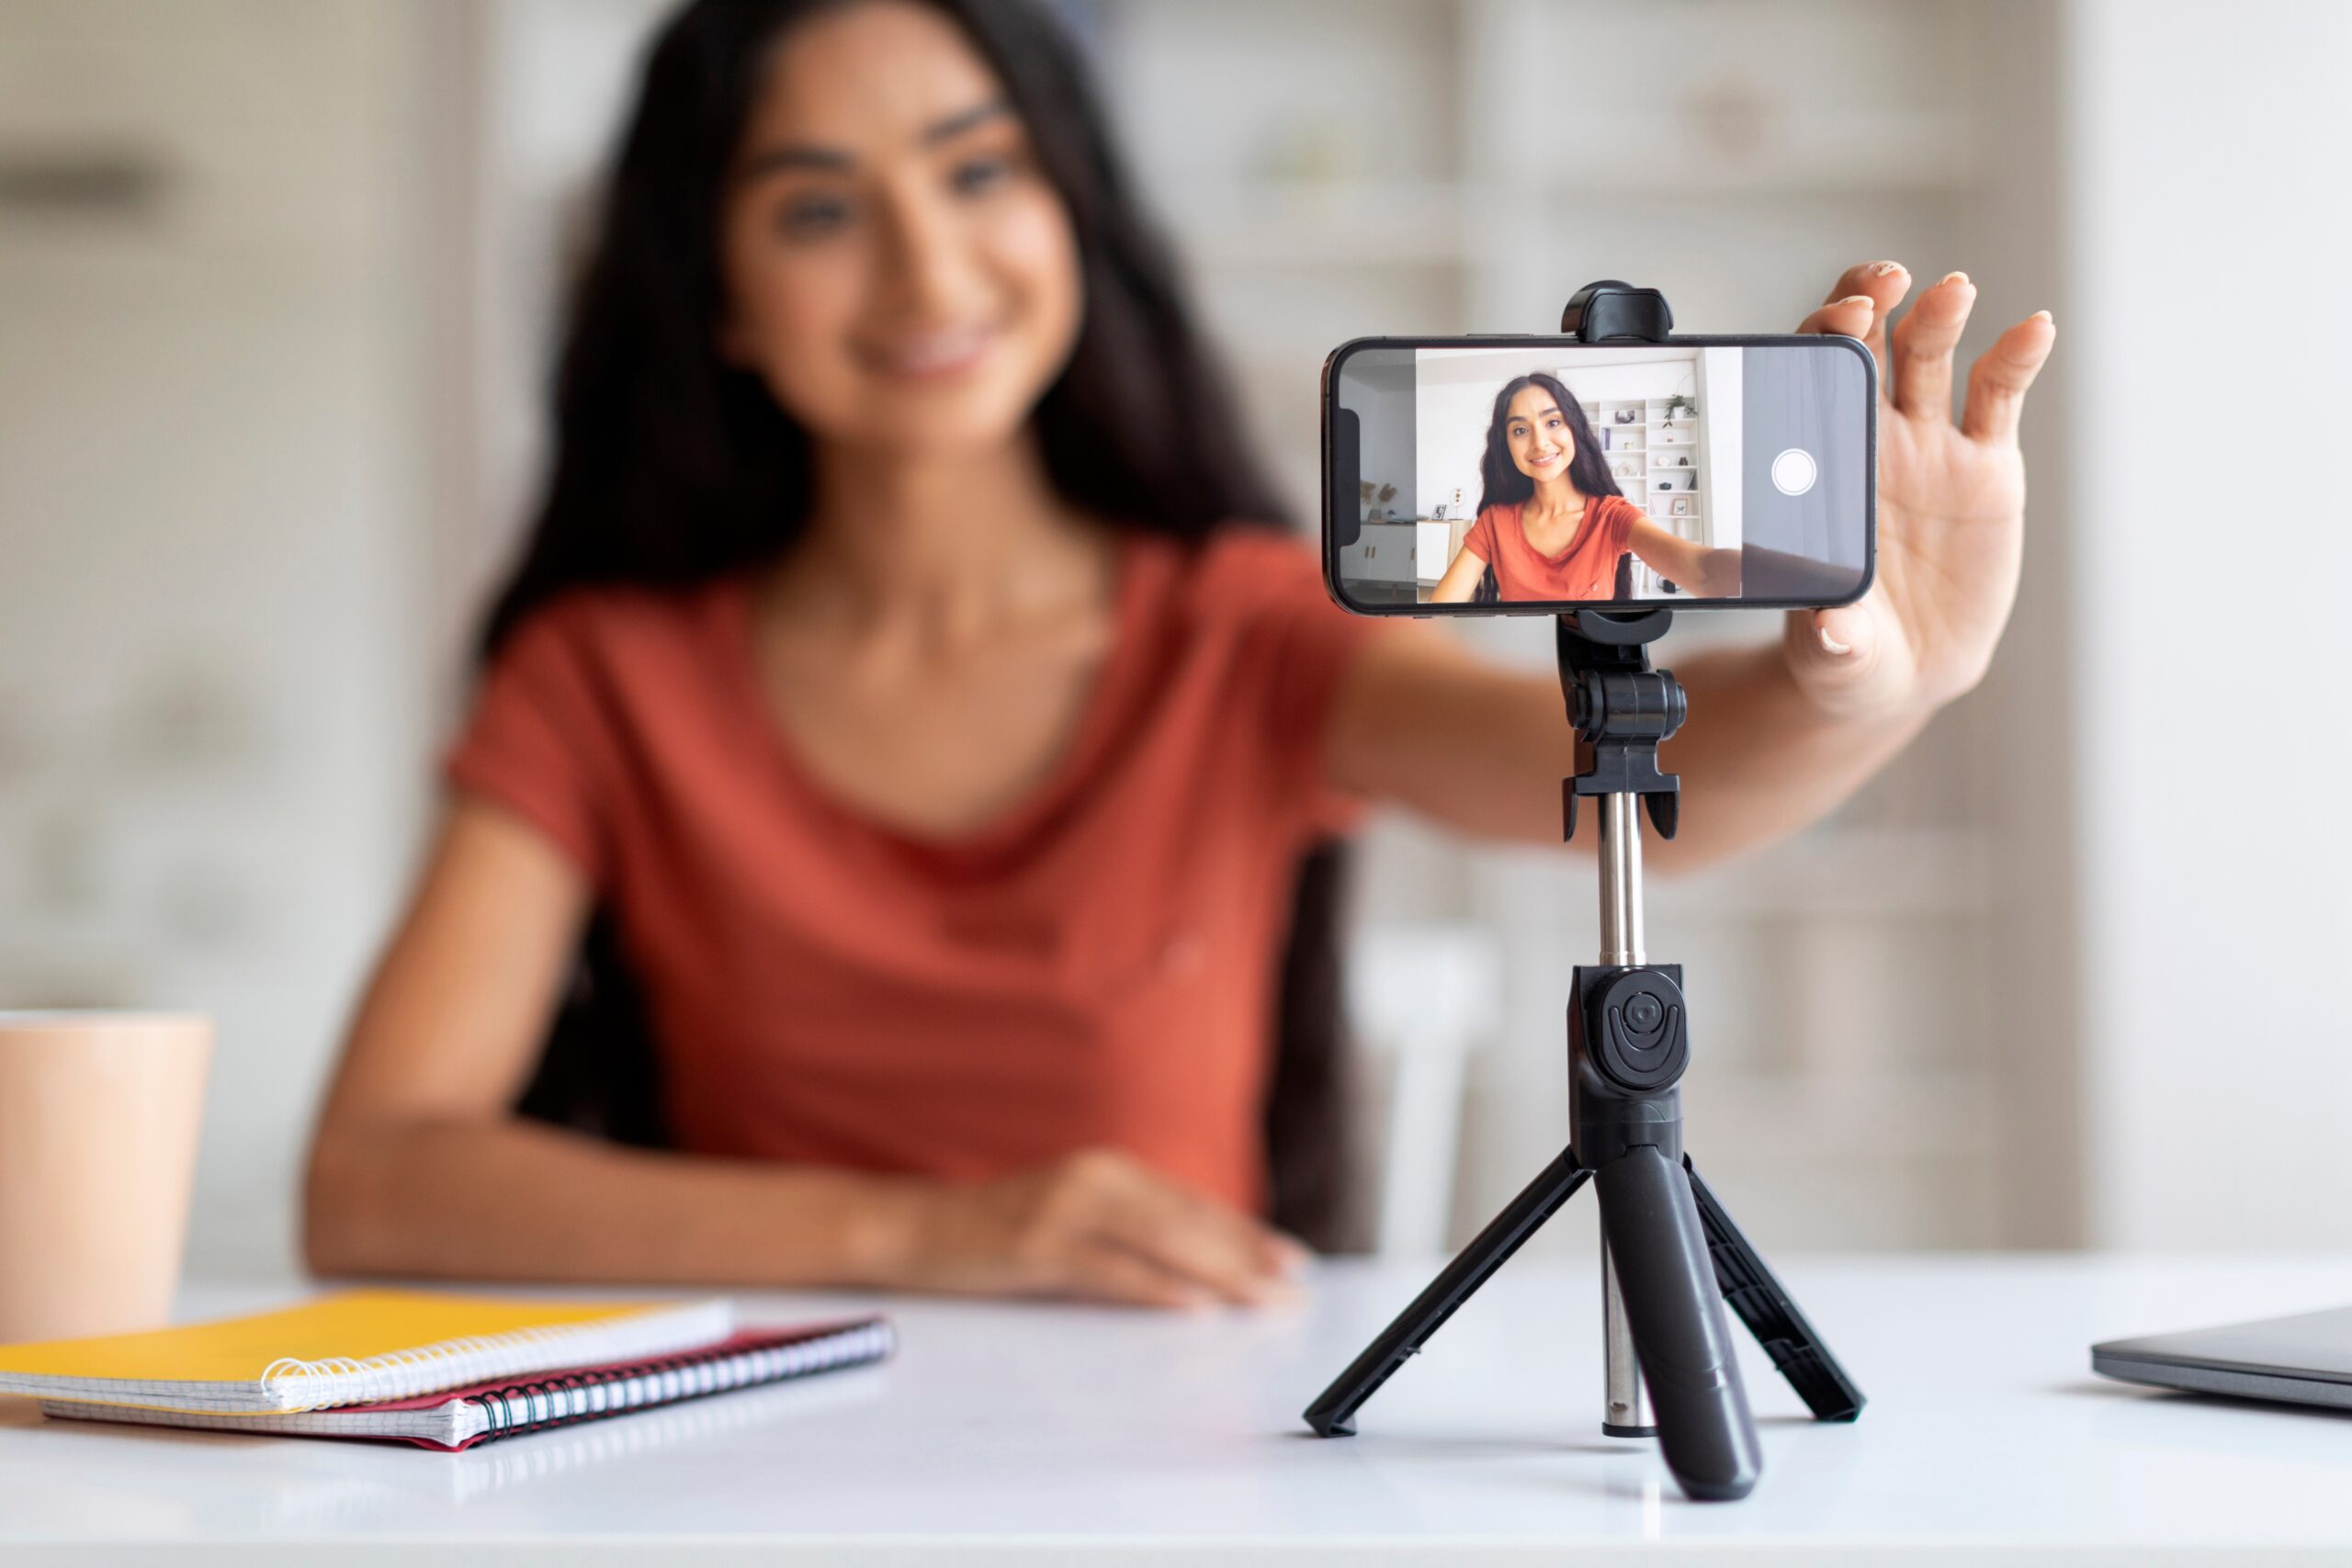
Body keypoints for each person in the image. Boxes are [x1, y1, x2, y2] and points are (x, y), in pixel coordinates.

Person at [302, 0, 2055, 1309]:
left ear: (1070, 211)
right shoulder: (606, 679)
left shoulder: (1231, 631)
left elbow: (1622, 782)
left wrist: (1874, 682)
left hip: (1168, 1455)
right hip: (749, 1458)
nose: (928, 264)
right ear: (718, 299)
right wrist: (942, 1233)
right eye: (820, 209)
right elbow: (372, 1179)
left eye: (981, 170)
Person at [1428, 373, 1738, 603]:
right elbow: (1439, 610)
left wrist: (1777, 573)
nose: (1540, 442)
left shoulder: (1611, 516)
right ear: (1505, 445)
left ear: (1574, 429)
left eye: (1552, 422)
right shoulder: (1494, 522)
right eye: (1520, 430)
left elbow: (1704, 570)